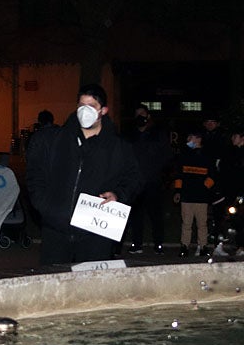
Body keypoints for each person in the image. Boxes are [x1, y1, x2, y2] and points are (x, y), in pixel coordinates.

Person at [27, 84, 142, 265]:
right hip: (56, 229)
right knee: (55, 286)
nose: (84, 111)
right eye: (81, 106)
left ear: (103, 110)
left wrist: (118, 195)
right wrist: (44, 205)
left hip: (94, 234)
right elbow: (35, 173)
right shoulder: (55, 140)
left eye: (91, 106)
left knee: (90, 289)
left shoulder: (118, 147)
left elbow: (133, 178)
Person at [126, 105, 172, 255]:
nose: (139, 116)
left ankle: (158, 244)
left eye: (142, 114)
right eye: (137, 114)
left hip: (153, 182)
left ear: (148, 116)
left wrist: (157, 172)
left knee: (156, 216)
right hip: (136, 183)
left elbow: (166, 156)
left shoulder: (157, 134)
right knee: (136, 216)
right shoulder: (130, 135)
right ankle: (136, 244)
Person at [173, 130, 217, 257]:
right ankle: (184, 246)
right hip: (186, 196)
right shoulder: (184, 155)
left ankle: (203, 247)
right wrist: (178, 191)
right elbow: (179, 175)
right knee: (186, 223)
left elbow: (213, 175)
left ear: (198, 139)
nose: (188, 140)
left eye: (190, 137)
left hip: (201, 197)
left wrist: (205, 188)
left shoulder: (207, 155)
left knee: (202, 224)